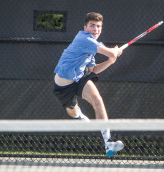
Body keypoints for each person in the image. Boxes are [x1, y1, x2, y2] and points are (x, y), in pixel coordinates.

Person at [53, 12, 124, 157]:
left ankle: (108, 141)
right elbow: (111, 53)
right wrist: (114, 52)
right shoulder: (84, 39)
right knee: (72, 110)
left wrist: (111, 61)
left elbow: (93, 70)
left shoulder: (94, 45)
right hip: (64, 84)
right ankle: (78, 116)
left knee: (97, 100)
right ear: (85, 27)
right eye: (92, 26)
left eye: (98, 26)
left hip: (79, 78)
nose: (96, 29)